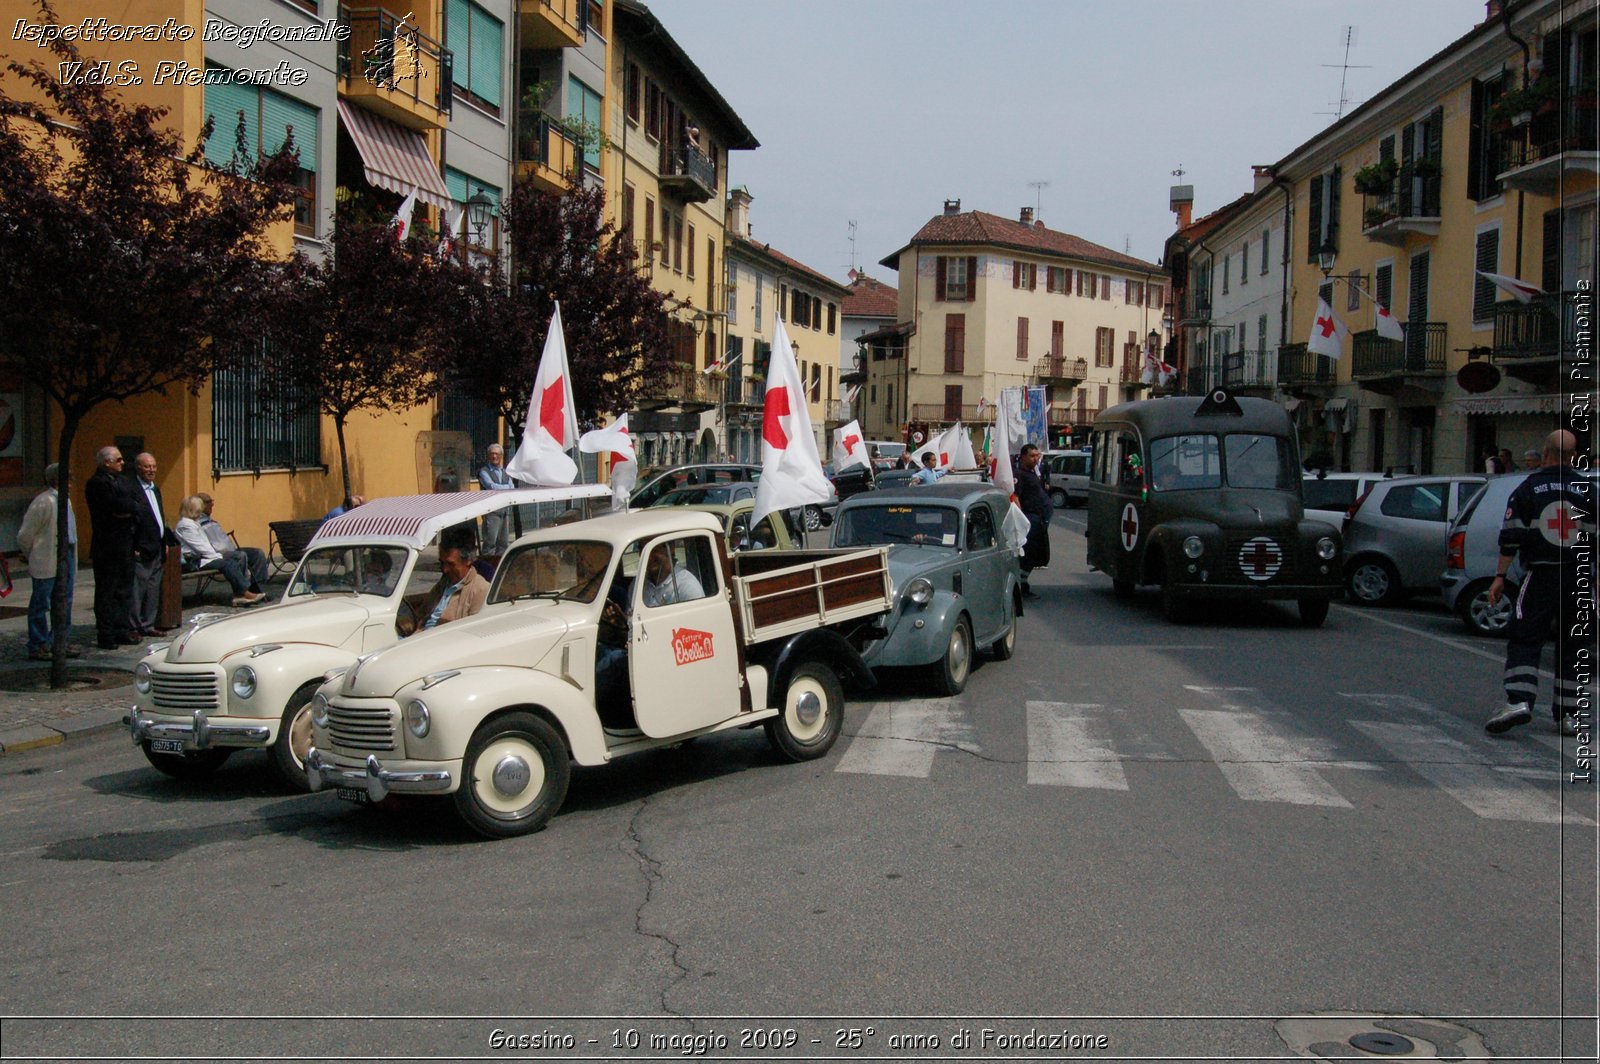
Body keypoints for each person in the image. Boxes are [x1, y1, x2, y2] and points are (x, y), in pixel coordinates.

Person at [1484, 429, 1592, 737]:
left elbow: (1511, 537)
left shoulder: (1528, 488)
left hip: (1541, 575)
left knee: (1525, 637)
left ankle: (1519, 701)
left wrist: (1500, 577)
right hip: (1579, 577)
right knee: (1574, 646)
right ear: (1573, 457)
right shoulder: (1588, 490)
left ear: (1545, 454)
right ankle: (1569, 715)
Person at [16, 463, 81, 660]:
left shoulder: (65, 501)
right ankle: (38, 643)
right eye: (67, 480)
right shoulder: (44, 502)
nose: (70, 484)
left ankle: (59, 641)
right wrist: (31, 554)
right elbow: (25, 534)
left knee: (64, 601)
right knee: (41, 602)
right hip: (47, 557)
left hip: (66, 553)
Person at [86, 446, 139, 648]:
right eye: (118, 459)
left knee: (124, 590)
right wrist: (125, 509)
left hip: (125, 543)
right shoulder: (97, 483)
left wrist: (128, 509)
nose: (122, 462)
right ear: (106, 462)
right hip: (107, 546)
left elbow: (134, 504)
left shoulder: (123, 481)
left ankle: (121, 629)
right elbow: (114, 507)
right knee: (106, 592)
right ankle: (106, 633)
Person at [173, 495, 263, 607]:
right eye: (199, 510)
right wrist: (218, 556)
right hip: (193, 561)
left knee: (237, 557)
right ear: (193, 510)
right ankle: (243, 593)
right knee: (228, 563)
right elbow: (200, 546)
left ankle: (246, 591)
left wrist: (216, 555)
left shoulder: (192, 523)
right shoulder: (185, 526)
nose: (201, 512)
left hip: (203, 557)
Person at [128, 452, 177, 636]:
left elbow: (159, 517)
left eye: (154, 466)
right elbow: (133, 521)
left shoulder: (155, 489)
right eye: (147, 466)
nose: (152, 470)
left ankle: (148, 624)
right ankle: (135, 626)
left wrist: (163, 541)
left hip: (157, 547)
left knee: (153, 589)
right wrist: (134, 547)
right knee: (137, 590)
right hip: (142, 548)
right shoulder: (132, 489)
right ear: (138, 467)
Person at [195, 493, 270, 597]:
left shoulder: (211, 520)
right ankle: (243, 591)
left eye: (212, 501)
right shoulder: (196, 523)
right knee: (241, 556)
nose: (212, 505)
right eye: (208, 502)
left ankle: (258, 586)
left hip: (231, 550)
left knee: (258, 553)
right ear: (199, 505)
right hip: (218, 554)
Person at [418, 544, 489, 631]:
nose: (445, 569)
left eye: (451, 564)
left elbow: (473, 630)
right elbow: (422, 614)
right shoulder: (442, 585)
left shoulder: (480, 589)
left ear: (467, 561)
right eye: (442, 563)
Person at [1015, 443, 1054, 597]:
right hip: (1029, 519)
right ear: (1023, 456)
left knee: (1037, 554)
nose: (1036, 458)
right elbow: (1016, 496)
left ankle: (1023, 583)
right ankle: (1020, 586)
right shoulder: (1020, 474)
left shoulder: (1033, 473)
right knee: (1028, 553)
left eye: (1037, 455)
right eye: (1032, 456)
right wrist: (1022, 519)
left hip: (1039, 519)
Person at [641, 542, 706, 606]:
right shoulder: (639, 583)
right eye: (642, 550)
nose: (648, 557)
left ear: (670, 549)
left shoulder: (688, 586)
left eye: (654, 550)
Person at [478, 444, 514, 558]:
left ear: (501, 456)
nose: (494, 456)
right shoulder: (484, 471)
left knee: (503, 544)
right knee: (490, 543)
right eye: (492, 454)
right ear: (488, 456)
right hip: (491, 512)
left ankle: (498, 569)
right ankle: (486, 568)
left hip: (504, 511)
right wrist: (506, 487)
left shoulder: (505, 472)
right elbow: (491, 486)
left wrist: (502, 487)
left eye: (497, 454)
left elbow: (512, 487)